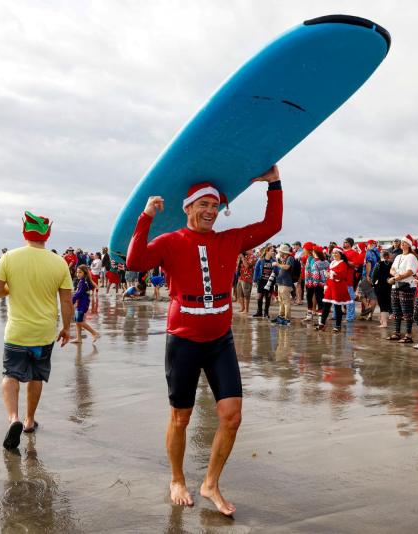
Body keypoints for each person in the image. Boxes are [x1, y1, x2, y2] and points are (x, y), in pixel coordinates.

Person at [126, 166, 282, 516]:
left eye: (215, 205)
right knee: (181, 417)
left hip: (220, 340)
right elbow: (134, 261)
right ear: (188, 207)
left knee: (232, 416)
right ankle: (177, 478)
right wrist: (146, 216)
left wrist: (274, 185)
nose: (210, 211)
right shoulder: (170, 242)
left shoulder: (231, 240)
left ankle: (211, 482)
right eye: (203, 204)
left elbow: (272, 226)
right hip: (183, 339)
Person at [0, 211, 74, 450]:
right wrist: (67, 328)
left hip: (17, 331)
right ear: (47, 234)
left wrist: (11, 289)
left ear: (24, 232)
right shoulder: (59, 262)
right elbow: (66, 302)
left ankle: (13, 417)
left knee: (11, 374)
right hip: (44, 332)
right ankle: (28, 420)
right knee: (36, 376)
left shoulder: (9, 258)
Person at [387, 236, 418, 342]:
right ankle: (397, 332)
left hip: (406, 285)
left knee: (407, 311)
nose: (402, 244)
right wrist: (395, 275)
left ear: (409, 245)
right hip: (396, 285)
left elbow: (411, 271)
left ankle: (408, 334)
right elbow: (392, 269)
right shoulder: (398, 256)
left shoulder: (411, 256)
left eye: (405, 243)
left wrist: (399, 277)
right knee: (396, 310)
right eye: (402, 242)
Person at [318, 247, 352, 332]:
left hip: (338, 287)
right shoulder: (332, 262)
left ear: (341, 254)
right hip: (330, 287)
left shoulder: (343, 264)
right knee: (326, 306)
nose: (334, 254)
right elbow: (329, 276)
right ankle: (322, 324)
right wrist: (326, 284)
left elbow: (342, 276)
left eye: (336, 253)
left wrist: (332, 274)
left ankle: (338, 326)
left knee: (337, 307)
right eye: (333, 253)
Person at [70, 265, 100, 344]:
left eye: (80, 272)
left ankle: (94, 333)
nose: (78, 274)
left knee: (80, 321)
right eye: (77, 272)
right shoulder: (83, 281)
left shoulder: (83, 282)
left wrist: (71, 301)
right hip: (81, 303)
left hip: (83, 304)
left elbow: (79, 293)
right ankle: (79, 338)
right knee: (77, 321)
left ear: (85, 273)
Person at [272, 244, 296, 325]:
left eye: (280, 251)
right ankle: (281, 316)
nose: (279, 253)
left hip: (286, 283)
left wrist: (277, 264)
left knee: (286, 302)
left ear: (283, 252)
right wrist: (279, 260)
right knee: (281, 301)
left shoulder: (290, 258)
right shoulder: (285, 258)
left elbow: (287, 267)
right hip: (281, 282)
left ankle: (287, 318)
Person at [253, 245, 276, 319]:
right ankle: (259, 312)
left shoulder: (274, 261)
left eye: (273, 251)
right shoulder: (260, 260)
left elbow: (276, 271)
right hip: (261, 280)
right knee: (259, 296)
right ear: (267, 251)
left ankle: (266, 312)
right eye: (271, 251)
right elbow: (256, 270)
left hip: (269, 281)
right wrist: (255, 280)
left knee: (268, 297)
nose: (273, 252)